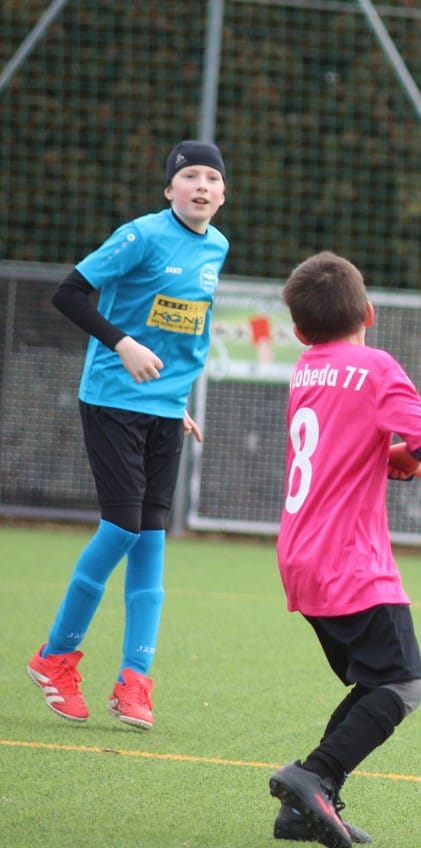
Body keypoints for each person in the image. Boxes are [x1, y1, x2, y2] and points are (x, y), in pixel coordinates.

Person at [27, 140, 229, 731]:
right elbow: (67, 293)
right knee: (121, 527)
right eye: (189, 176)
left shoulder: (217, 246)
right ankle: (54, 657)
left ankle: (134, 680)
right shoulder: (140, 235)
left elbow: (188, 332)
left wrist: (178, 401)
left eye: (212, 178)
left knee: (151, 541)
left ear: (223, 194)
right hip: (112, 399)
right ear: (169, 189)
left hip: (165, 410)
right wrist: (121, 343)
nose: (201, 185)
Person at [268, 251, 421, 848]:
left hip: (301, 556)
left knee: (374, 684)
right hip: (350, 560)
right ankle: (312, 777)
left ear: (300, 331)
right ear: (369, 313)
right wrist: (416, 454)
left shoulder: (306, 369)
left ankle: (306, 805)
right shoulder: (374, 366)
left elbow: (342, 449)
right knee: (402, 686)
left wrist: (397, 460)